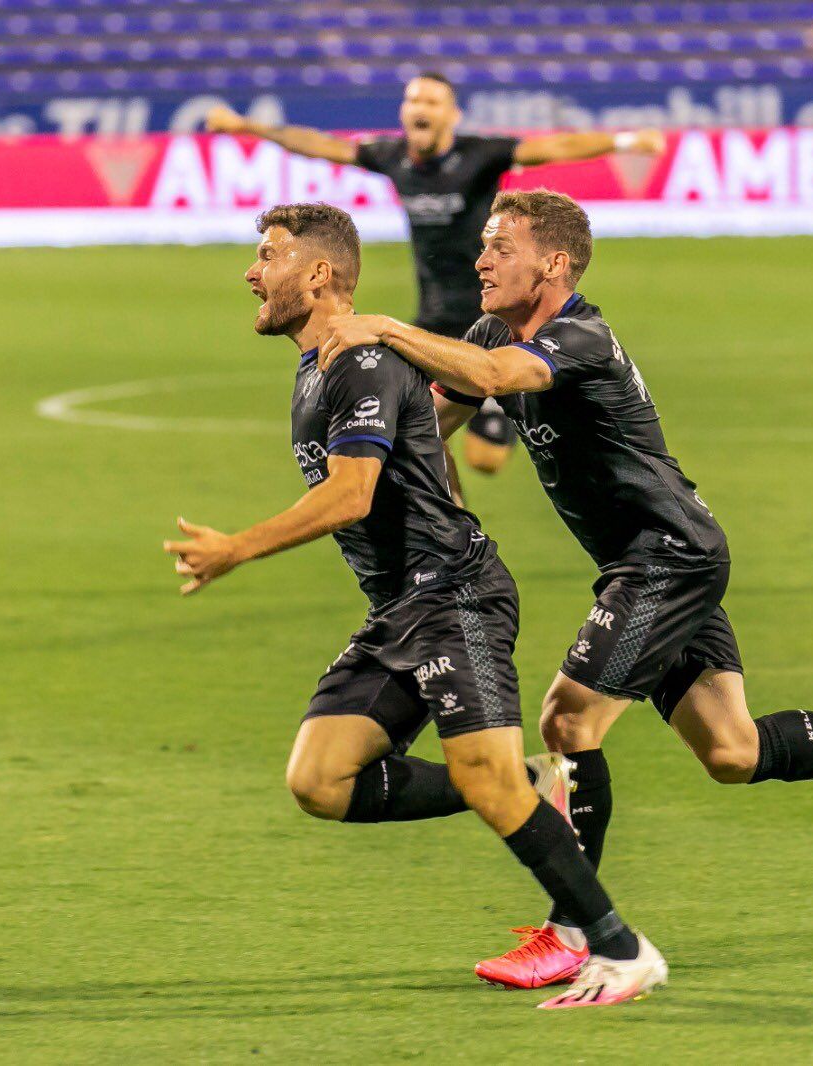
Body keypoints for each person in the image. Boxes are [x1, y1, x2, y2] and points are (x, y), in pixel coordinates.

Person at [319, 190, 813, 991]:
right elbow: (433, 423)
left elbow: (497, 375)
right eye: (482, 245)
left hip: (667, 558)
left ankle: (574, 932)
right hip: (652, 560)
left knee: (567, 719)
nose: (480, 260)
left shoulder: (579, 334)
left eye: (499, 246)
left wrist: (388, 327)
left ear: (554, 262)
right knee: (731, 751)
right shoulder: (491, 330)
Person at [163, 201, 666, 1009]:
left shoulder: (361, 363)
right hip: (398, 606)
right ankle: (532, 786)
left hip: (453, 596)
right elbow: (424, 447)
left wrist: (236, 548)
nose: (252, 272)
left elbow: (353, 495)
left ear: (319, 273)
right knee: (320, 780)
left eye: (268, 256)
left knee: (482, 777)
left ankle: (621, 949)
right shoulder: (317, 366)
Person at [204, 72, 664, 483]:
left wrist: (625, 142)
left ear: (451, 114)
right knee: (420, 426)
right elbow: (324, 146)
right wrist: (249, 128)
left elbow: (553, 149)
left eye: (431, 102)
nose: (419, 110)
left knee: (484, 458)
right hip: (434, 319)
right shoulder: (394, 158)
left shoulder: (479, 155)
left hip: (492, 323)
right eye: (413, 101)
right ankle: (453, 521)